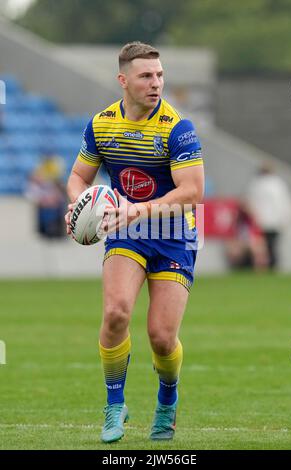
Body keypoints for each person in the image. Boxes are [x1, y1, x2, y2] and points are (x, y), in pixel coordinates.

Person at [65, 41, 204, 443]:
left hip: (174, 234)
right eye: (146, 76)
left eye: (160, 75)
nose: (156, 83)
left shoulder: (178, 128)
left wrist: (136, 211)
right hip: (126, 232)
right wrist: (79, 205)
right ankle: (114, 405)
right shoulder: (103, 123)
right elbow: (78, 177)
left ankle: (167, 399)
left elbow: (192, 192)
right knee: (116, 314)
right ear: (123, 80)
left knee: (161, 337)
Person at [247, 162, 291, 269]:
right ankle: (269, 266)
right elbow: (284, 202)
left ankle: (268, 266)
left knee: (267, 247)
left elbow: (251, 202)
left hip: (264, 221)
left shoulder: (257, 183)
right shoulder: (277, 184)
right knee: (269, 246)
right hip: (271, 221)